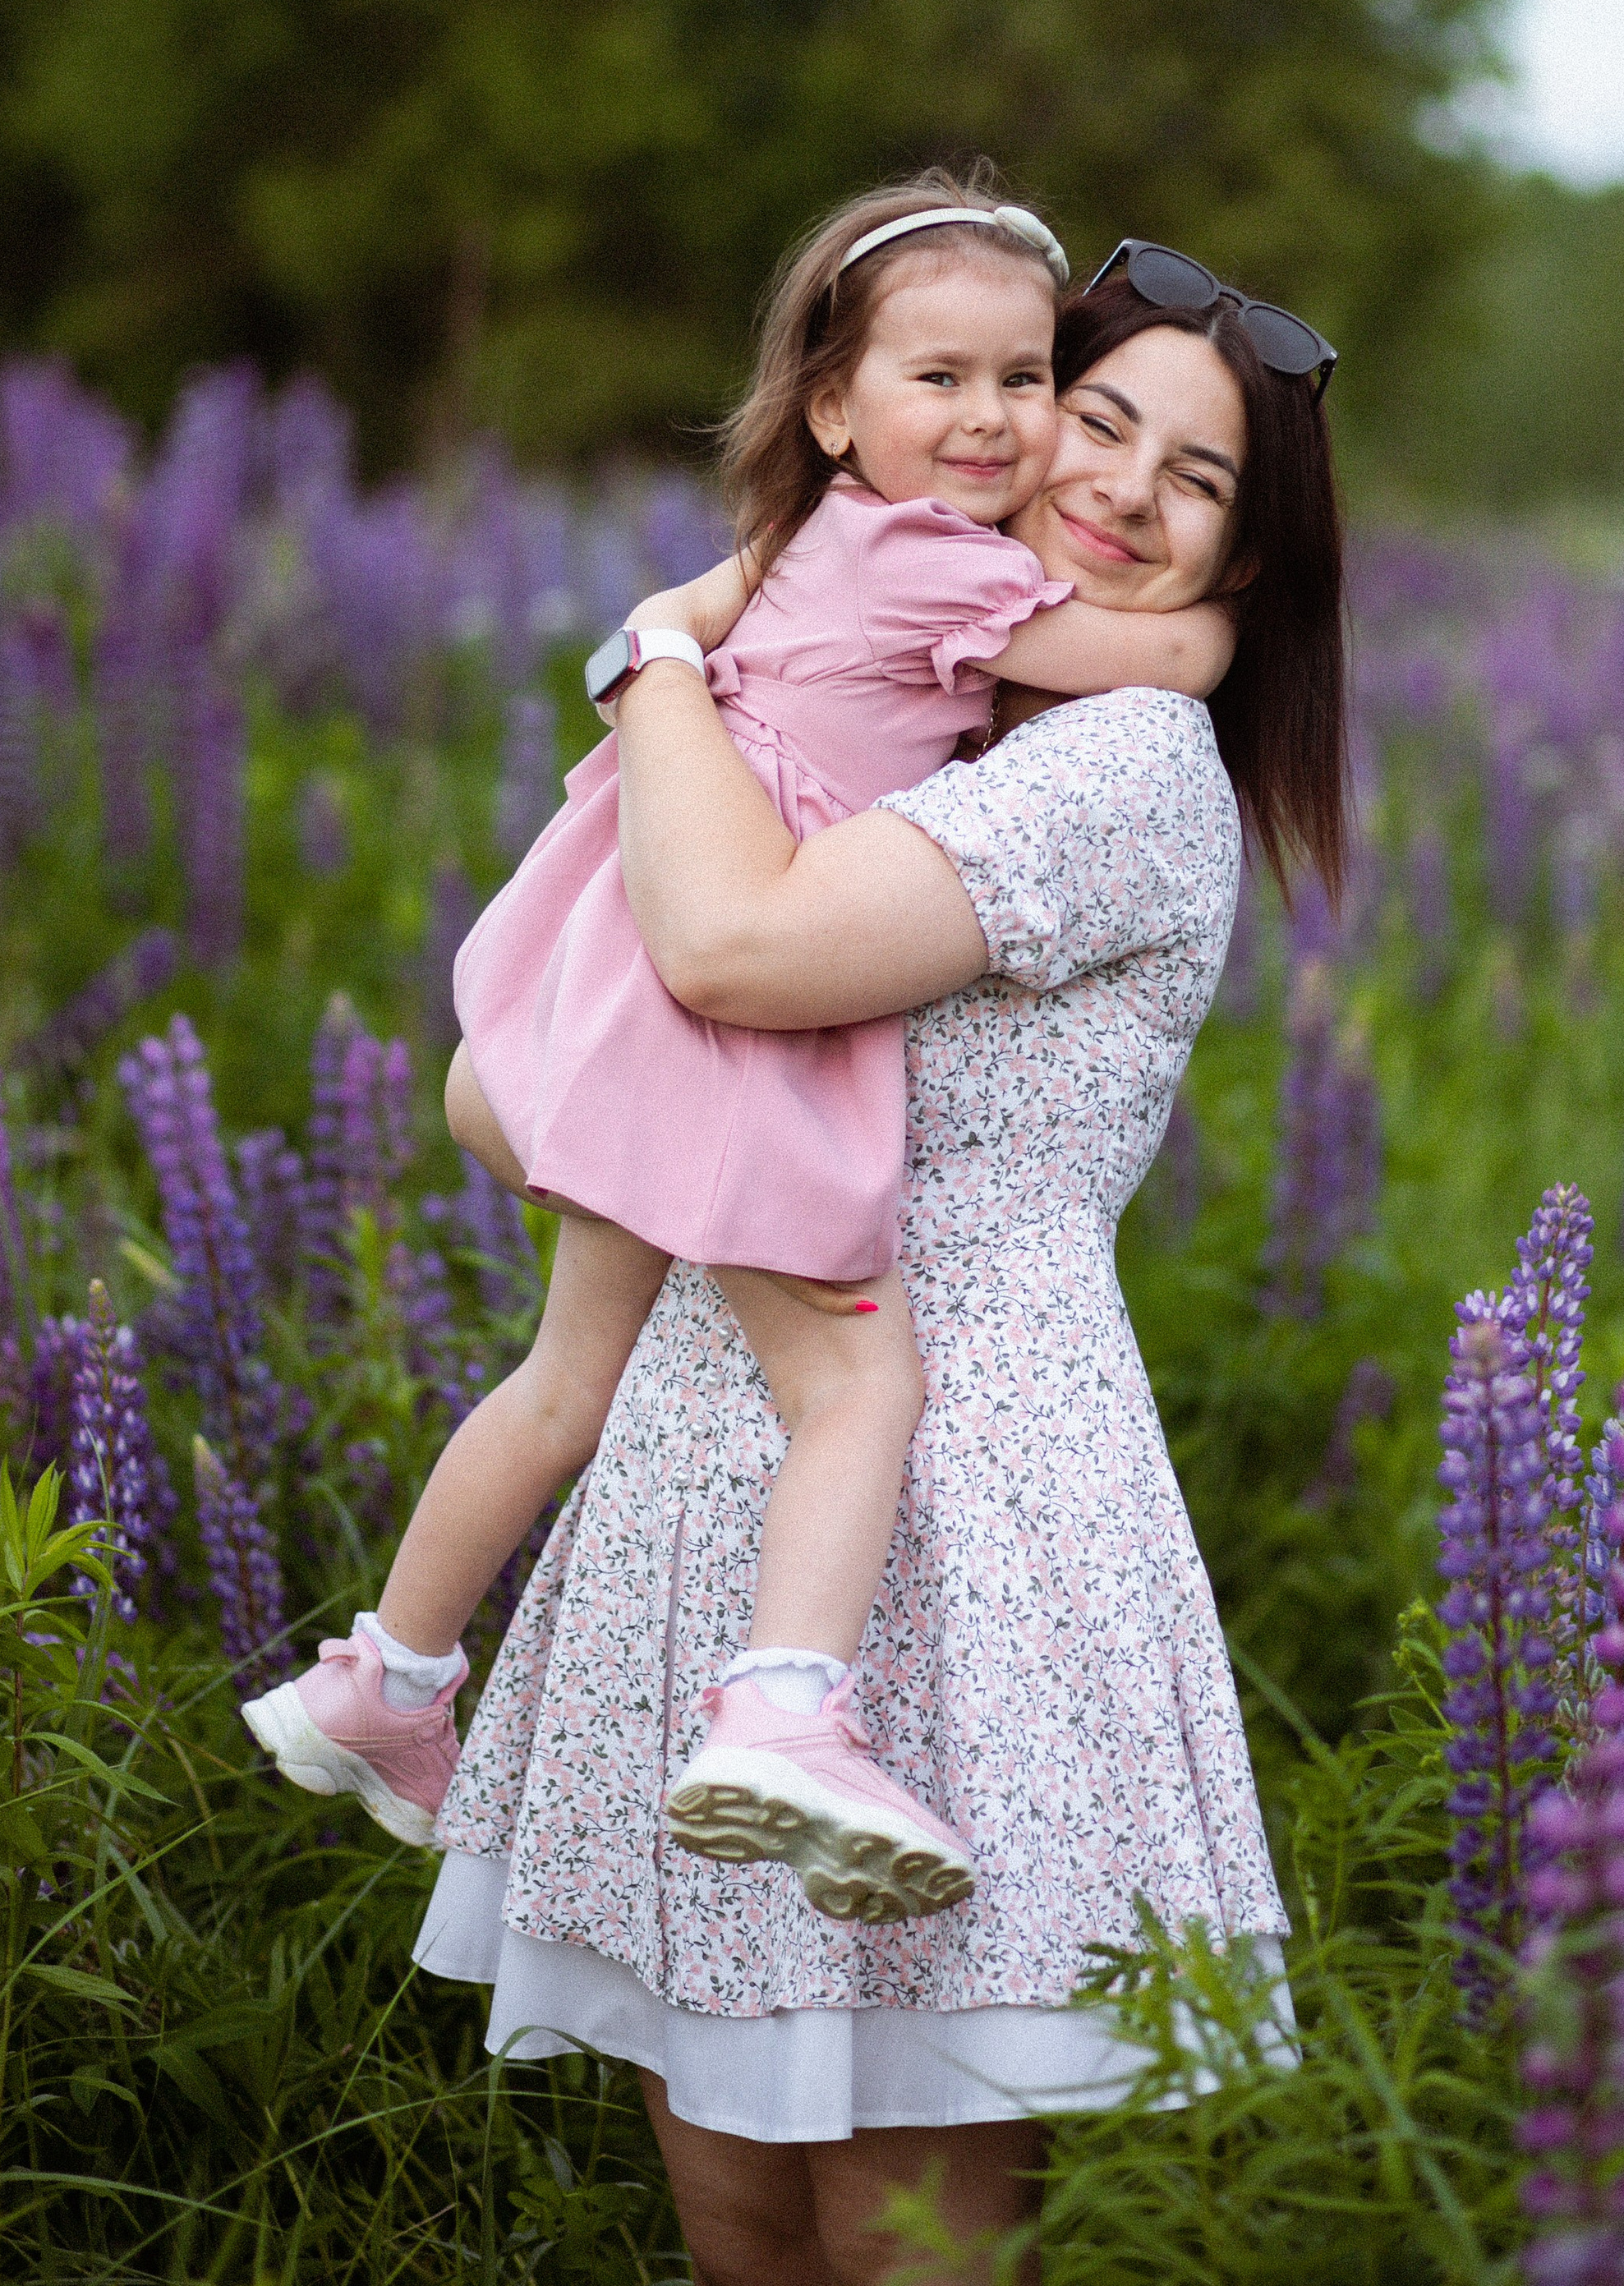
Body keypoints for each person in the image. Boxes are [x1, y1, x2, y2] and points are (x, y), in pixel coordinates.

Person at [416, 242, 1350, 2286]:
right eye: (1092, 416)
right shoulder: (901, 714)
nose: (1113, 482)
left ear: (1242, 559)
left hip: (966, 1511)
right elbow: (499, 1084)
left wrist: (658, 654)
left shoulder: (1106, 775)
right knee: (744, 2234)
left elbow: (724, 959)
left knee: (900, 2242)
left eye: (1194, 478)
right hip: (707, 1480)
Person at [241, 178, 1233, 1907]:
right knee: (856, 1380)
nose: (994, 419)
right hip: (721, 1023)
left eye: (1022, 379)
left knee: (566, 1382)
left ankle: (384, 1681)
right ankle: (782, 1713)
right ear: (834, 406)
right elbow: (1148, 649)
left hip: (614, 968)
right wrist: (1223, 622)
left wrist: (663, 639)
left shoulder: (818, 540)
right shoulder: (947, 565)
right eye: (943, 381)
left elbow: (681, 623)